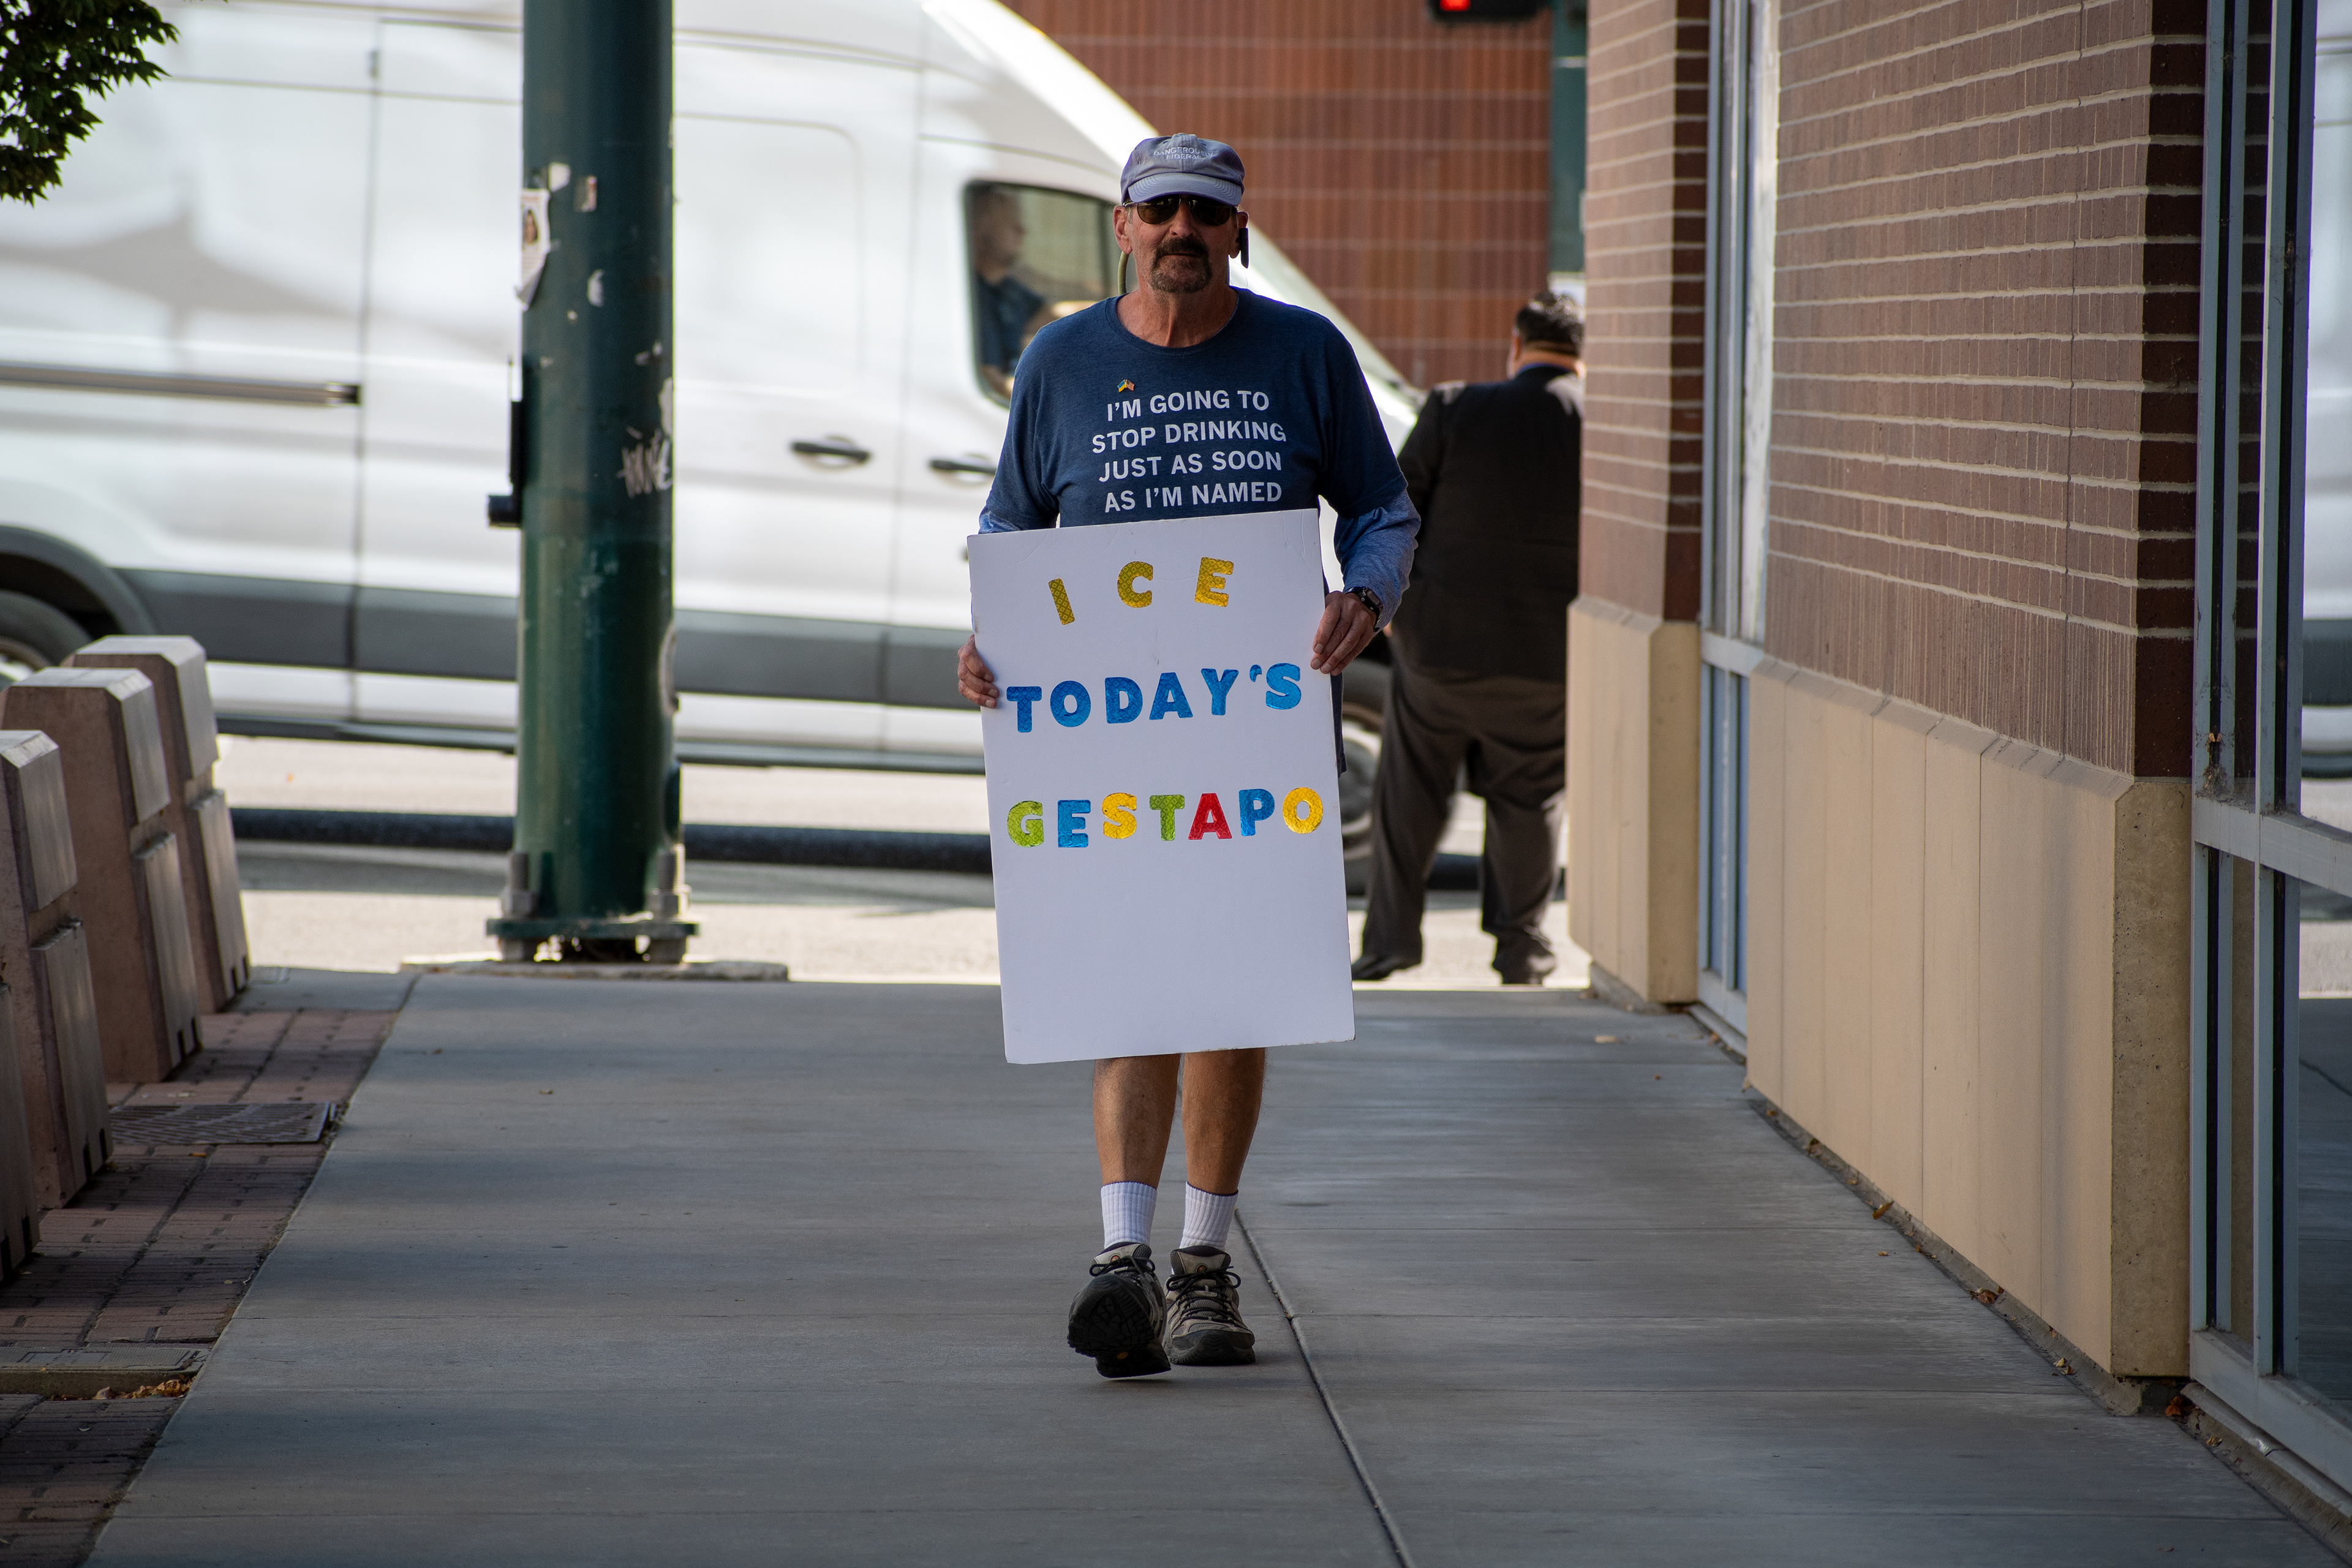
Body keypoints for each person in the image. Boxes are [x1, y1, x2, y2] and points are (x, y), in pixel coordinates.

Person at [955, 132, 1418, 1378]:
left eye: (1206, 217)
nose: (1182, 232)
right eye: (1160, 211)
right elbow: (1011, 520)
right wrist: (992, 633)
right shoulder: (1060, 360)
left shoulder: (1305, 356)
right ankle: (1123, 1259)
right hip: (1105, 743)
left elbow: (1382, 504)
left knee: (1236, 988)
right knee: (1128, 984)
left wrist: (1366, 592)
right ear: (1122, 226)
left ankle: (1202, 1264)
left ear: (1237, 234)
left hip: (1257, 733)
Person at [1351, 292, 1583, 987]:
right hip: (1548, 658)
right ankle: (1523, 951)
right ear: (1580, 356)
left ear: (1516, 346)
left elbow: (1395, 508)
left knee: (1410, 790)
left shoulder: (1455, 407)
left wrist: (1387, 603)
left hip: (1441, 650)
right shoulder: (1601, 426)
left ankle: (1390, 945)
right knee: (1532, 798)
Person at [970, 185, 1050, 399]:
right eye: (1009, 221)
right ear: (982, 229)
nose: (1022, 230)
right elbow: (991, 381)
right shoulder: (972, 299)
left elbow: (1047, 315)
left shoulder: (1005, 287)